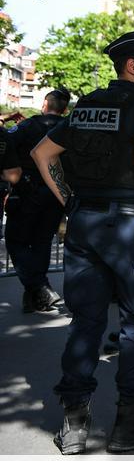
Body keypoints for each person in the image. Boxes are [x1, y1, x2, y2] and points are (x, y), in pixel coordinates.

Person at [32, 30, 134, 455]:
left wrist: (70, 202)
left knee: (86, 323)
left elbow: (43, 153)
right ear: (132, 66)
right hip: (129, 228)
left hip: (85, 224)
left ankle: (75, 425)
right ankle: (129, 426)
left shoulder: (88, 104)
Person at [5, 88, 69, 313]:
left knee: (15, 240)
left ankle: (39, 287)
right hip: (56, 191)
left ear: (44, 104)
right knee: (42, 241)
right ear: (65, 109)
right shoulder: (69, 127)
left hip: (27, 189)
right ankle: (35, 297)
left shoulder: (28, 126)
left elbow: (7, 144)